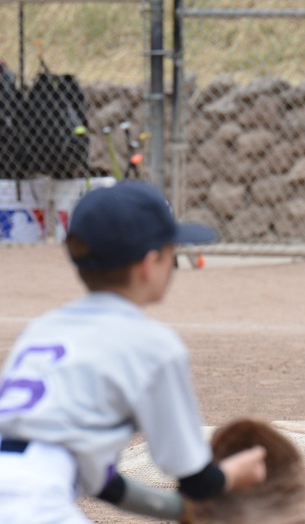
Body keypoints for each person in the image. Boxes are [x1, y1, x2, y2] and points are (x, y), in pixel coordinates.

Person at [0, 180, 266, 523]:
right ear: (149, 264)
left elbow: (101, 481)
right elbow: (198, 481)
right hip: (33, 505)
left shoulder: (43, 329)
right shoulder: (153, 344)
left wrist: (174, 510)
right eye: (172, 254)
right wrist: (234, 474)